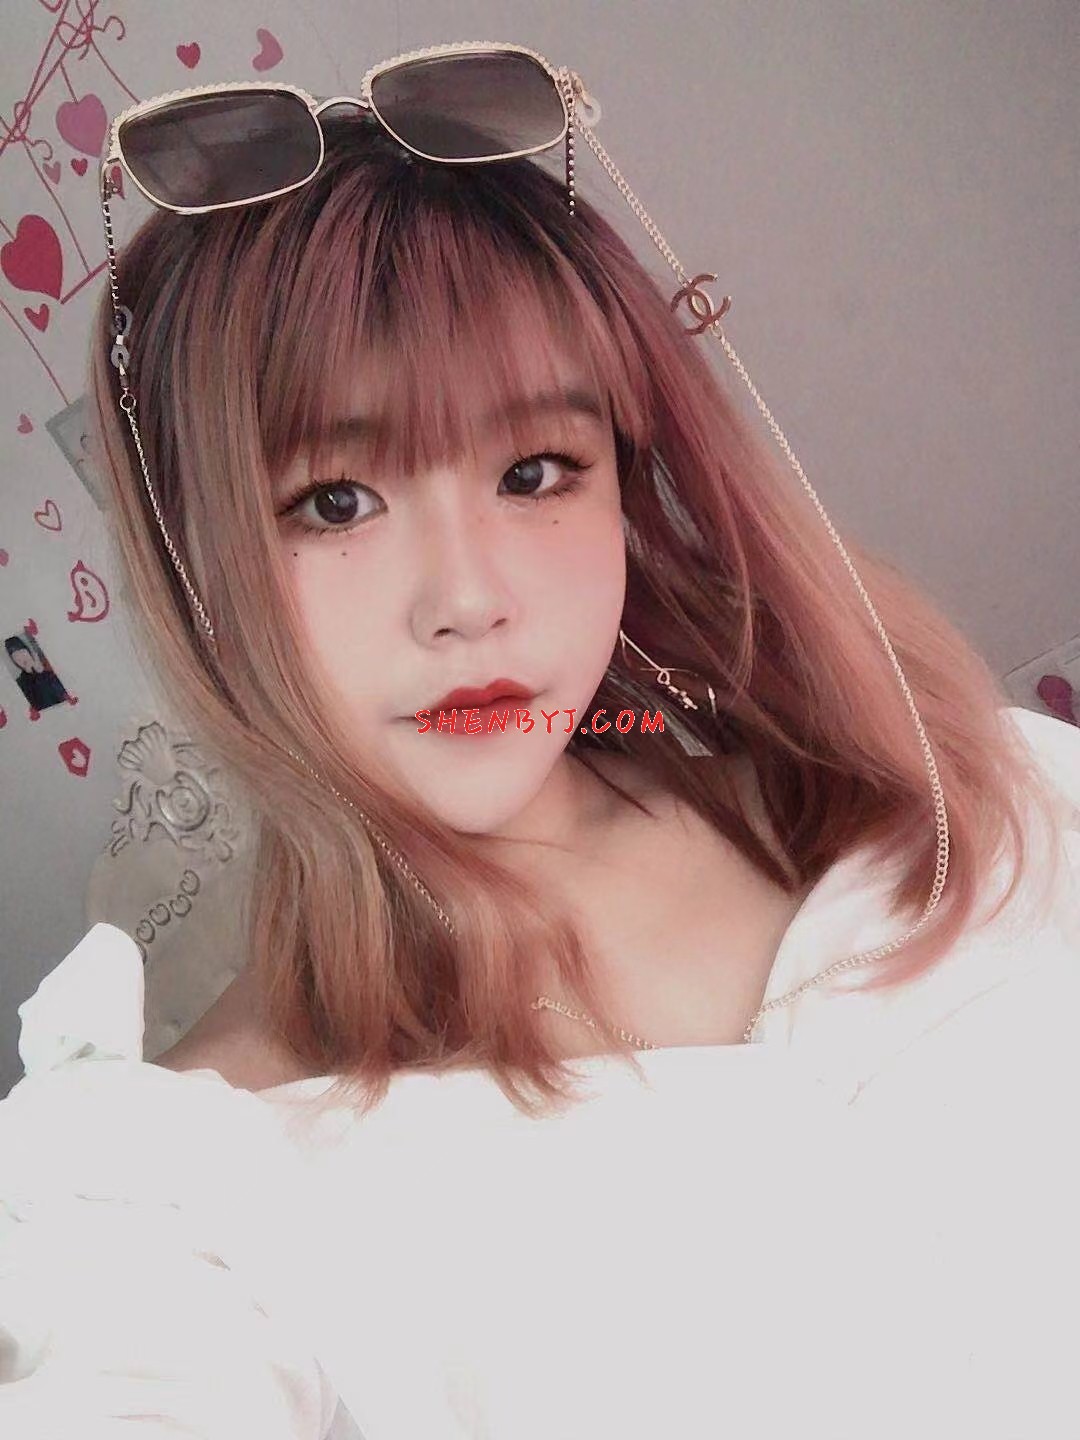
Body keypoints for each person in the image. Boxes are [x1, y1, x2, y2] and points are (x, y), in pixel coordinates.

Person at [2, 44, 1078, 1439]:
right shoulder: (177, 1204)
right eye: (333, 500)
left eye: (533, 472)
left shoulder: (934, 792)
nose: (467, 600)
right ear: (197, 560)